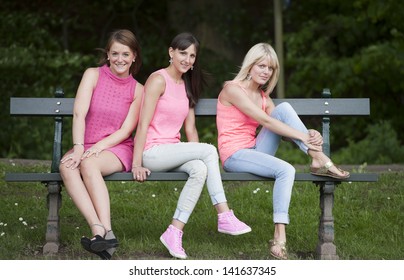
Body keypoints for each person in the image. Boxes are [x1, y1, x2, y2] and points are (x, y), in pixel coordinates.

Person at [216, 42, 350, 260]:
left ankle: (317, 159)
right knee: (286, 170)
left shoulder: (263, 97)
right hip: (234, 154)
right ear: (250, 66)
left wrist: (309, 133)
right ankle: (279, 238)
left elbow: (284, 130)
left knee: (284, 108)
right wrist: (304, 136)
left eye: (270, 68)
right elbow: (263, 119)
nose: (266, 72)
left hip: (256, 150)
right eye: (261, 66)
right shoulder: (232, 89)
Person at [132, 32, 251, 259]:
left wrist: (199, 160)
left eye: (192, 55)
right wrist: (136, 163)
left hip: (172, 151)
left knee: (200, 168)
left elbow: (191, 130)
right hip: (152, 153)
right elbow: (143, 124)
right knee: (209, 149)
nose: (187, 59)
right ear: (171, 52)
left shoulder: (187, 85)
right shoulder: (158, 80)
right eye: (182, 53)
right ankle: (224, 214)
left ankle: (174, 231)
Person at [59, 29, 143, 260]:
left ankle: (107, 233)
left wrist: (98, 147)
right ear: (107, 54)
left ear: (134, 56)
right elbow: (79, 113)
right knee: (66, 166)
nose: (120, 59)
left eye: (125, 54)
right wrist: (78, 147)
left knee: (88, 164)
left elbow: (127, 130)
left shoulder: (138, 89)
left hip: (117, 147)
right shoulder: (92, 75)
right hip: (84, 144)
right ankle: (98, 230)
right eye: (115, 53)